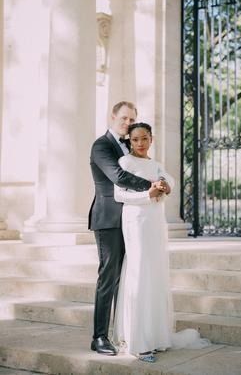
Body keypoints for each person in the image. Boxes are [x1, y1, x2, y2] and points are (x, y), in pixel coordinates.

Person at [113, 122, 210, 363]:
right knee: (140, 272)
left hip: (155, 222)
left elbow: (170, 182)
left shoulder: (156, 164)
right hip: (136, 221)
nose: (140, 143)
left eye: (144, 138)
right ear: (130, 141)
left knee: (154, 274)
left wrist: (165, 186)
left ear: (151, 139)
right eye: (135, 139)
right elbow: (119, 195)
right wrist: (148, 194)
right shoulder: (125, 163)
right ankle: (137, 340)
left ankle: (153, 336)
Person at [88, 102, 168, 356]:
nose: (127, 123)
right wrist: (152, 185)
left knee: (127, 278)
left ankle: (122, 331)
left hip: (131, 220)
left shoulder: (129, 146)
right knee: (108, 278)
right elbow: (118, 178)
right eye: (123, 118)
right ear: (113, 117)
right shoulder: (101, 145)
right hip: (109, 220)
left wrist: (162, 183)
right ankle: (99, 336)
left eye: (132, 118)